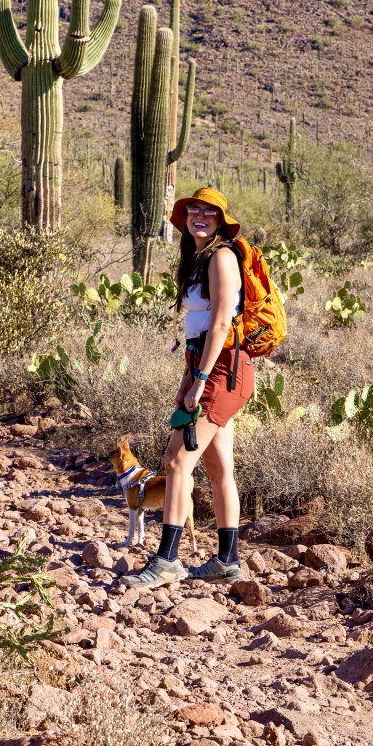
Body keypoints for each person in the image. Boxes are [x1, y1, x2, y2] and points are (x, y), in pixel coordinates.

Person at [122, 186, 255, 589]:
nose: (199, 215)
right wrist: (188, 377)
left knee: (177, 461)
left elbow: (219, 325)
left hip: (223, 371)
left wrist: (200, 382)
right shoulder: (200, 260)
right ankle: (227, 562)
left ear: (220, 221)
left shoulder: (222, 257)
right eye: (193, 209)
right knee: (218, 468)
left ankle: (166, 561)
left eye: (208, 212)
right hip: (209, 366)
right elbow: (198, 332)